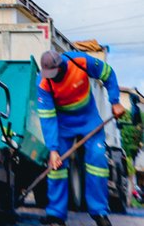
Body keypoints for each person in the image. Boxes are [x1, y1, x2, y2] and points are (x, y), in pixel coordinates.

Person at [36, 50, 125, 226]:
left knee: (98, 161)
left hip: (89, 121)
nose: (52, 78)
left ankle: (99, 212)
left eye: (55, 74)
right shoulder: (43, 83)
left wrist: (115, 101)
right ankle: (55, 215)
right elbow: (47, 118)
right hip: (63, 126)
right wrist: (53, 150)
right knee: (56, 166)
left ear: (61, 66)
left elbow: (107, 73)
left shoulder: (80, 61)